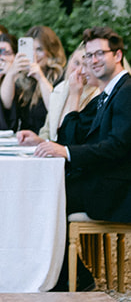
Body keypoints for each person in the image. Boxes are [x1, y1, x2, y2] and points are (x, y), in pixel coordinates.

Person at [35, 27, 131, 224]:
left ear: (118, 55)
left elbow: (117, 146)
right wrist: (74, 94)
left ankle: (54, 256)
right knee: (43, 187)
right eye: (89, 55)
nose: (93, 61)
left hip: (118, 193)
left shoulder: (126, 91)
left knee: (45, 197)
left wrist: (67, 152)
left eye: (100, 54)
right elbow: (73, 138)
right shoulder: (109, 93)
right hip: (103, 183)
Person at [0, 26, 65, 134]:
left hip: (48, 141)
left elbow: (55, 109)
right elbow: (5, 105)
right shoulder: (24, 77)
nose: (34, 55)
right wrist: (11, 73)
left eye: (39, 49)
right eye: (31, 50)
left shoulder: (59, 76)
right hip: (24, 140)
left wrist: (40, 78)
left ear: (51, 51)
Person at [19, 45, 97, 145]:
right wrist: (38, 140)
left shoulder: (96, 96)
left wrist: (75, 95)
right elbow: (46, 130)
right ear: (70, 61)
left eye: (86, 65)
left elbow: (77, 139)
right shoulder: (59, 89)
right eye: (76, 63)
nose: (79, 71)